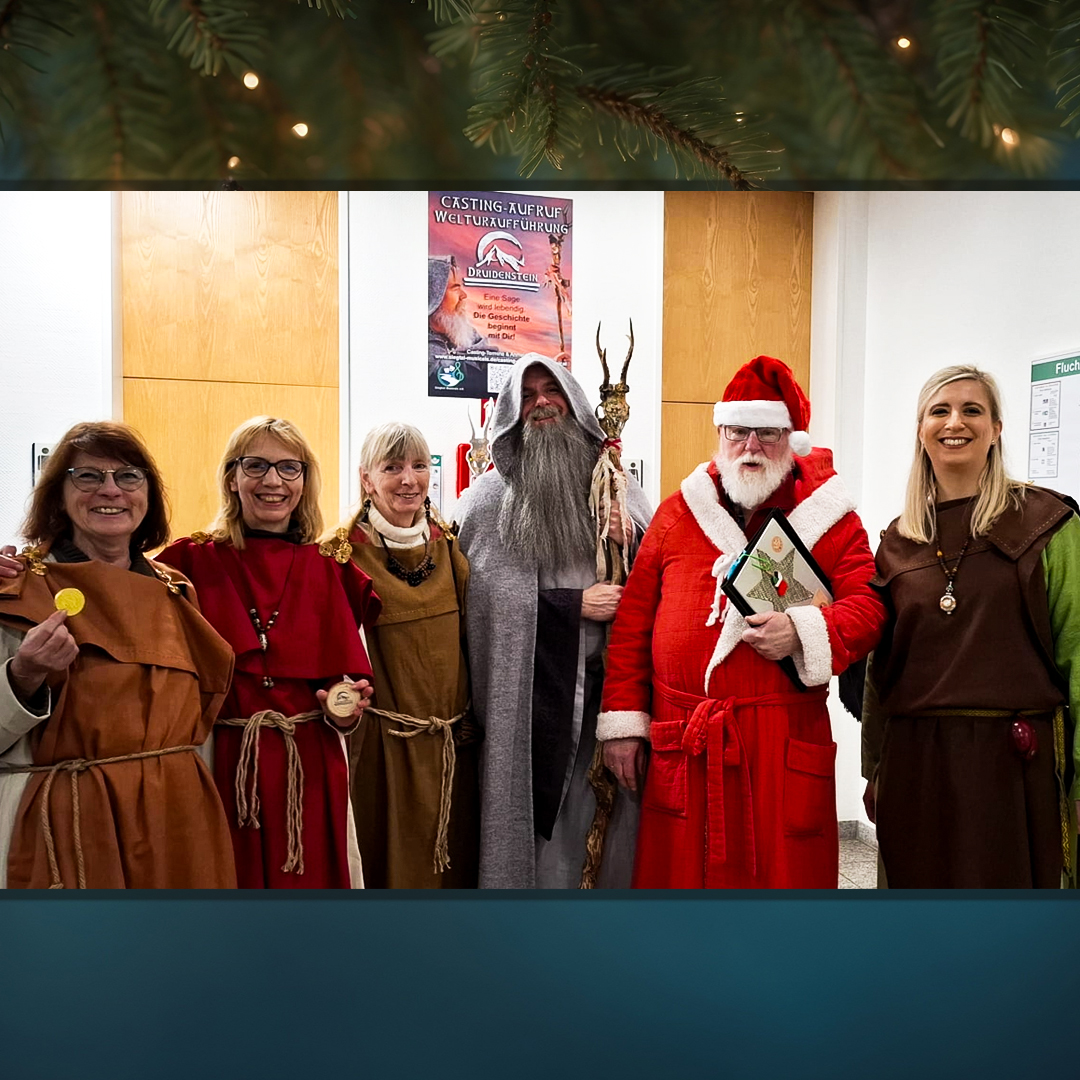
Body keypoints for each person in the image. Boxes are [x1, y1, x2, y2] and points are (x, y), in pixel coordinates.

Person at [598, 355, 885, 889]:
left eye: (768, 433)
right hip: (686, 741)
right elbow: (634, 624)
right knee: (681, 896)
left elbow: (868, 607)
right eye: (737, 432)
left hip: (782, 745)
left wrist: (802, 630)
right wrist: (623, 726)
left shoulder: (832, 518)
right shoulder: (677, 513)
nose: (751, 446)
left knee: (782, 894)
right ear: (720, 435)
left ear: (791, 440)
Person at [862, 365, 1080, 888]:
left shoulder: (1049, 526)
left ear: (996, 428)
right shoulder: (898, 542)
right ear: (921, 430)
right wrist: (874, 769)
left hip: (1014, 765)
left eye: (972, 410)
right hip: (915, 764)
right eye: (939, 411)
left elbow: (1078, 653)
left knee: (1012, 920)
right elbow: (880, 671)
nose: (954, 422)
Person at [0, 421, 236, 888]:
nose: (110, 490)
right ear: (58, 495)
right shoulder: (16, 590)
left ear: (148, 495)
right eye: (88, 476)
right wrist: (23, 675)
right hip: (69, 822)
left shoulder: (176, 591)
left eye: (129, 476)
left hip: (176, 821)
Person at [155, 417, 381, 889]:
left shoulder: (330, 567)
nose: (273, 481)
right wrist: (31, 565)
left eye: (288, 468)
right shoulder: (189, 562)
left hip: (310, 765)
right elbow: (109, 576)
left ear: (304, 480)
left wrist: (344, 711)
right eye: (255, 465)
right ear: (231, 478)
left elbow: (345, 687)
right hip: (222, 758)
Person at [457, 352, 652, 889]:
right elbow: (483, 604)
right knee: (541, 853)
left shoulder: (618, 488)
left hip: (609, 698)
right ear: (511, 413)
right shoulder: (488, 500)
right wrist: (573, 606)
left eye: (552, 390)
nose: (541, 403)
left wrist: (630, 539)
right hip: (530, 701)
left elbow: (665, 580)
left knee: (610, 834)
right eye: (527, 395)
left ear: (575, 402)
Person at [320, 421, 479, 888]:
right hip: (382, 751)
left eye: (418, 466)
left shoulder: (449, 547)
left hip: (451, 748)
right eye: (392, 468)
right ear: (367, 479)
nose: (409, 479)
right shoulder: (339, 556)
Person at [428, 254, 501, 396]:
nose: (463, 295)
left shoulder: (465, 332)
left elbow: (493, 362)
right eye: (455, 289)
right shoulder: (420, 347)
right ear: (434, 295)